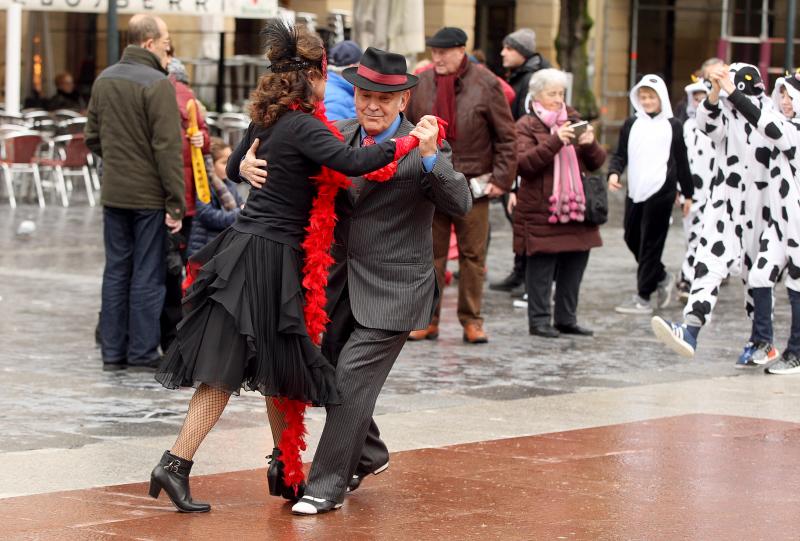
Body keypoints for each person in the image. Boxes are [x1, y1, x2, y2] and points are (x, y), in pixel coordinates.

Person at [150, 24, 432, 514]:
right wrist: (411, 144)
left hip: (252, 250)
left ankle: (282, 466)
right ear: (318, 73)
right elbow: (351, 160)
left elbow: (237, 161)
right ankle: (179, 463)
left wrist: (243, 169)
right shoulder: (303, 124)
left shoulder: (271, 118)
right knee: (233, 370)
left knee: (276, 368)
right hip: (268, 257)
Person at [237, 45, 471, 515]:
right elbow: (284, 172)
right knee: (317, 371)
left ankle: (325, 485)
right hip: (337, 284)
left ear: (403, 101)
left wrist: (430, 159)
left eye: (385, 99)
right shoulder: (336, 134)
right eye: (365, 95)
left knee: (349, 380)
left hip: (395, 289)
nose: (373, 106)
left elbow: (459, 202)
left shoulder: (425, 143)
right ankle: (369, 452)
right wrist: (242, 167)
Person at [651, 63, 780, 364]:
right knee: (707, 264)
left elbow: (766, 128)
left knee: (756, 278)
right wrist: (715, 93)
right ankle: (691, 329)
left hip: (761, 211)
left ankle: (762, 340)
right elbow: (706, 124)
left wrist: (731, 90)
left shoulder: (769, 117)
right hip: (724, 206)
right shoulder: (725, 116)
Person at [85, 14, 184, 370]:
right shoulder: (157, 84)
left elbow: (92, 137)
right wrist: (176, 202)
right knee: (147, 273)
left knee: (115, 271)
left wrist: (118, 161)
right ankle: (141, 351)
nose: (166, 47)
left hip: (114, 192)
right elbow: (168, 149)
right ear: (148, 43)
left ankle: (113, 351)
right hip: (148, 196)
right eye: (165, 41)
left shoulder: (105, 79)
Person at [406, 26, 517, 343]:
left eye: (443, 53)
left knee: (472, 255)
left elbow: (507, 137)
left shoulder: (486, 83)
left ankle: (472, 320)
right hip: (431, 178)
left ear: (461, 51)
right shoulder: (423, 82)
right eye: (434, 52)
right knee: (431, 253)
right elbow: (408, 129)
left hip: (474, 182)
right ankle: (428, 319)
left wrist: (501, 179)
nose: (436, 58)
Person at [511, 68, 606, 338]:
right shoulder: (526, 125)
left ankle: (567, 318)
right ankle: (539, 320)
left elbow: (596, 163)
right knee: (542, 267)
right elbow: (524, 165)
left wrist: (589, 143)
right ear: (537, 95)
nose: (557, 99)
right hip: (542, 208)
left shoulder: (573, 119)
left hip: (577, 209)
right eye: (551, 93)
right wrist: (555, 141)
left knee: (574, 265)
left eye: (561, 93)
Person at [608, 74, 693, 315]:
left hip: (661, 192)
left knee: (650, 245)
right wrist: (614, 173)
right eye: (643, 97)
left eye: (651, 97)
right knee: (631, 237)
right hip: (635, 190)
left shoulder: (673, 125)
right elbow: (620, 154)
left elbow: (682, 160)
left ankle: (643, 296)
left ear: (661, 98)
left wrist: (687, 194)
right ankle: (662, 276)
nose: (646, 101)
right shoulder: (631, 124)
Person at [491, 28, 550, 295]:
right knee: (517, 217)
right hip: (513, 153)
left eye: (509, 48)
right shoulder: (518, 75)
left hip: (524, 157)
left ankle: (531, 276)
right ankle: (520, 270)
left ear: (522, 53)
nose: (503, 52)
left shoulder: (533, 79)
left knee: (524, 217)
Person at [160, 47, 211, 352]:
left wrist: (200, 139)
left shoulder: (187, 102)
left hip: (181, 196)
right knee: (180, 265)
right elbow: (204, 139)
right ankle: (175, 335)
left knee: (169, 267)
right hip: (185, 197)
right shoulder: (185, 99)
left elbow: (204, 139)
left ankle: (170, 335)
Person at [676, 78, 716, 300]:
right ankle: (689, 278)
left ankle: (690, 279)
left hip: (716, 191)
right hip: (691, 191)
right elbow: (681, 161)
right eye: (696, 99)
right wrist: (679, 189)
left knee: (703, 236)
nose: (699, 103)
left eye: (704, 99)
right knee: (693, 235)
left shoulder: (718, 125)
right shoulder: (687, 127)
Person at [186, 137, 242, 258]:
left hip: (221, 249)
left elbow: (241, 204)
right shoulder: (203, 184)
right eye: (224, 162)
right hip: (204, 250)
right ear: (211, 163)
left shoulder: (229, 184)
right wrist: (239, 214)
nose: (229, 166)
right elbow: (207, 215)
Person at [323, 40, 362, 120]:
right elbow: (331, 130)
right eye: (361, 66)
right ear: (352, 67)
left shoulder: (329, 84)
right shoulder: (337, 99)